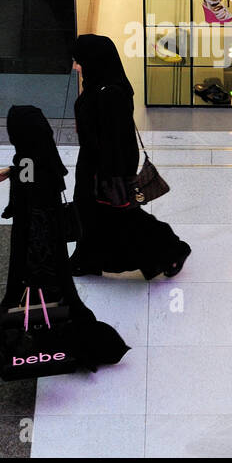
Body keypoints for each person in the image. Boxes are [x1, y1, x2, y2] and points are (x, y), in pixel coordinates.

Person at [0, 105, 128, 371]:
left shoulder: (31, 162)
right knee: (62, 298)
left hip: (34, 248)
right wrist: (12, 170)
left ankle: (1, 347)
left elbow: (34, 203)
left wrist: (35, 262)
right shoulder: (39, 157)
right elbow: (30, 172)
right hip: (46, 245)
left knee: (21, 296)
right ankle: (83, 344)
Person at [68, 34, 192, 279]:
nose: (75, 66)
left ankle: (171, 250)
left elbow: (116, 140)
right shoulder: (99, 84)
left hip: (105, 168)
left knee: (122, 217)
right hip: (92, 164)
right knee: (92, 214)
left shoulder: (109, 93)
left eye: (78, 61)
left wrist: (108, 177)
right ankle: (86, 260)